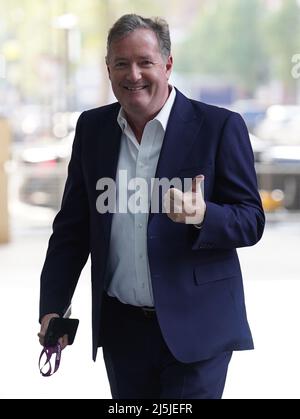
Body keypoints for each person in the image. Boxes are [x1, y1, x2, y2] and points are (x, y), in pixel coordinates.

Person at [38, 13, 265, 399]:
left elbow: (251, 220)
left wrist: (203, 215)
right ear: (108, 69)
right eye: (122, 63)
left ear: (168, 64)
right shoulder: (92, 130)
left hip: (197, 330)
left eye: (145, 62)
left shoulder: (219, 127)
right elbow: (72, 230)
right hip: (123, 332)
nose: (134, 75)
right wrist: (52, 307)